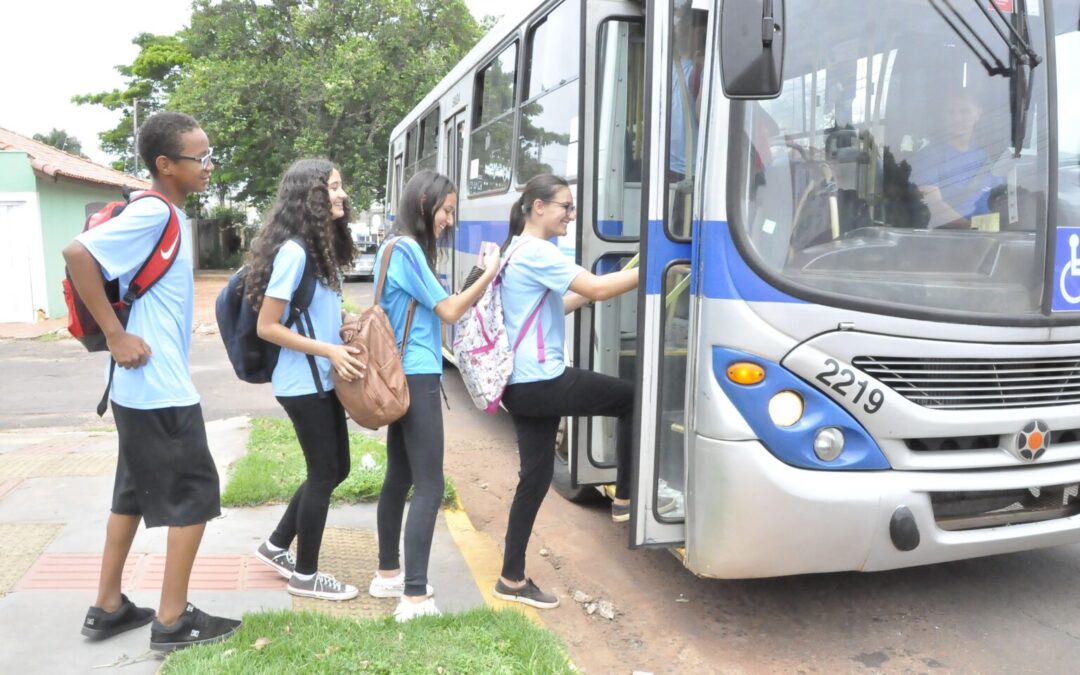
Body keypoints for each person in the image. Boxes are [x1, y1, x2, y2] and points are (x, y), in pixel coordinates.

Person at [63, 111, 241, 652]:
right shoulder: (156, 212)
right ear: (165, 165)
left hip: (137, 389)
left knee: (131, 495)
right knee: (197, 493)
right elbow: (77, 254)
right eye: (200, 157)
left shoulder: (164, 215)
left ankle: (109, 606)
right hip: (158, 388)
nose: (209, 166)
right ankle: (172, 620)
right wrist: (116, 334)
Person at [492, 174, 646, 610]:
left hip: (521, 385)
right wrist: (651, 268)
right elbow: (596, 286)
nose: (571, 215)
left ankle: (512, 577)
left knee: (535, 480)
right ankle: (626, 498)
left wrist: (590, 294)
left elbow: (557, 303)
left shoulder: (517, 250)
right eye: (565, 206)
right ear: (538, 207)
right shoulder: (537, 251)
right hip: (542, 381)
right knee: (631, 398)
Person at [370, 170, 500, 622]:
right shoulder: (406, 248)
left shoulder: (391, 248)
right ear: (424, 204)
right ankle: (414, 596)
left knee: (399, 477)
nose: (449, 220)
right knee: (430, 485)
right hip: (418, 375)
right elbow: (448, 310)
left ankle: (388, 573)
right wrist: (490, 275)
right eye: (446, 211)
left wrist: (471, 282)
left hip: (399, 377)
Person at [247, 159, 365, 601]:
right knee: (323, 474)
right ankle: (306, 576)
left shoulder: (320, 250)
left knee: (339, 468)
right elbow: (268, 326)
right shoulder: (295, 252)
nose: (341, 195)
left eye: (341, 187)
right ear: (310, 196)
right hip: (301, 384)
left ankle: (277, 544)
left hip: (322, 380)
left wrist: (347, 322)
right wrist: (331, 350)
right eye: (333, 188)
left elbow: (318, 312)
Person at [910, 88, 1002, 229]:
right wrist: (972, 229)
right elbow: (935, 206)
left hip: (988, 237)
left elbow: (1000, 198)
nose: (957, 118)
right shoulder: (929, 157)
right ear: (942, 117)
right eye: (951, 113)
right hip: (949, 238)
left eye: (964, 111)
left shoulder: (985, 156)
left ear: (978, 113)